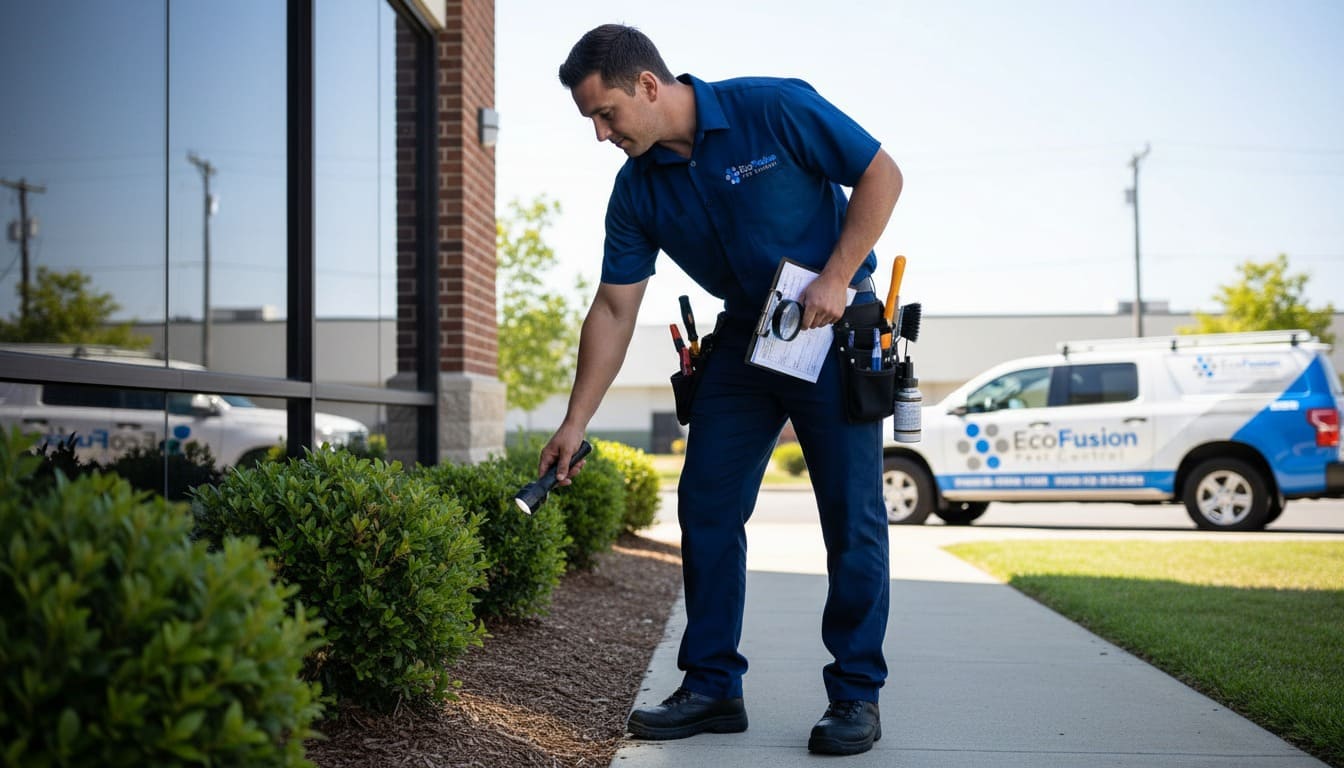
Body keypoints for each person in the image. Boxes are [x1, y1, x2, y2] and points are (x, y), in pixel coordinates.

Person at [539, 23, 902, 756]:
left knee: (852, 515)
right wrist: (574, 422)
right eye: (591, 122)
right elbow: (614, 306)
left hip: (831, 327)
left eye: (606, 114)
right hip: (745, 338)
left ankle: (855, 695)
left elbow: (881, 174)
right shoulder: (637, 190)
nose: (602, 135)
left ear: (648, 84)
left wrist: (837, 274)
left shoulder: (772, 108)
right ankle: (711, 685)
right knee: (705, 501)